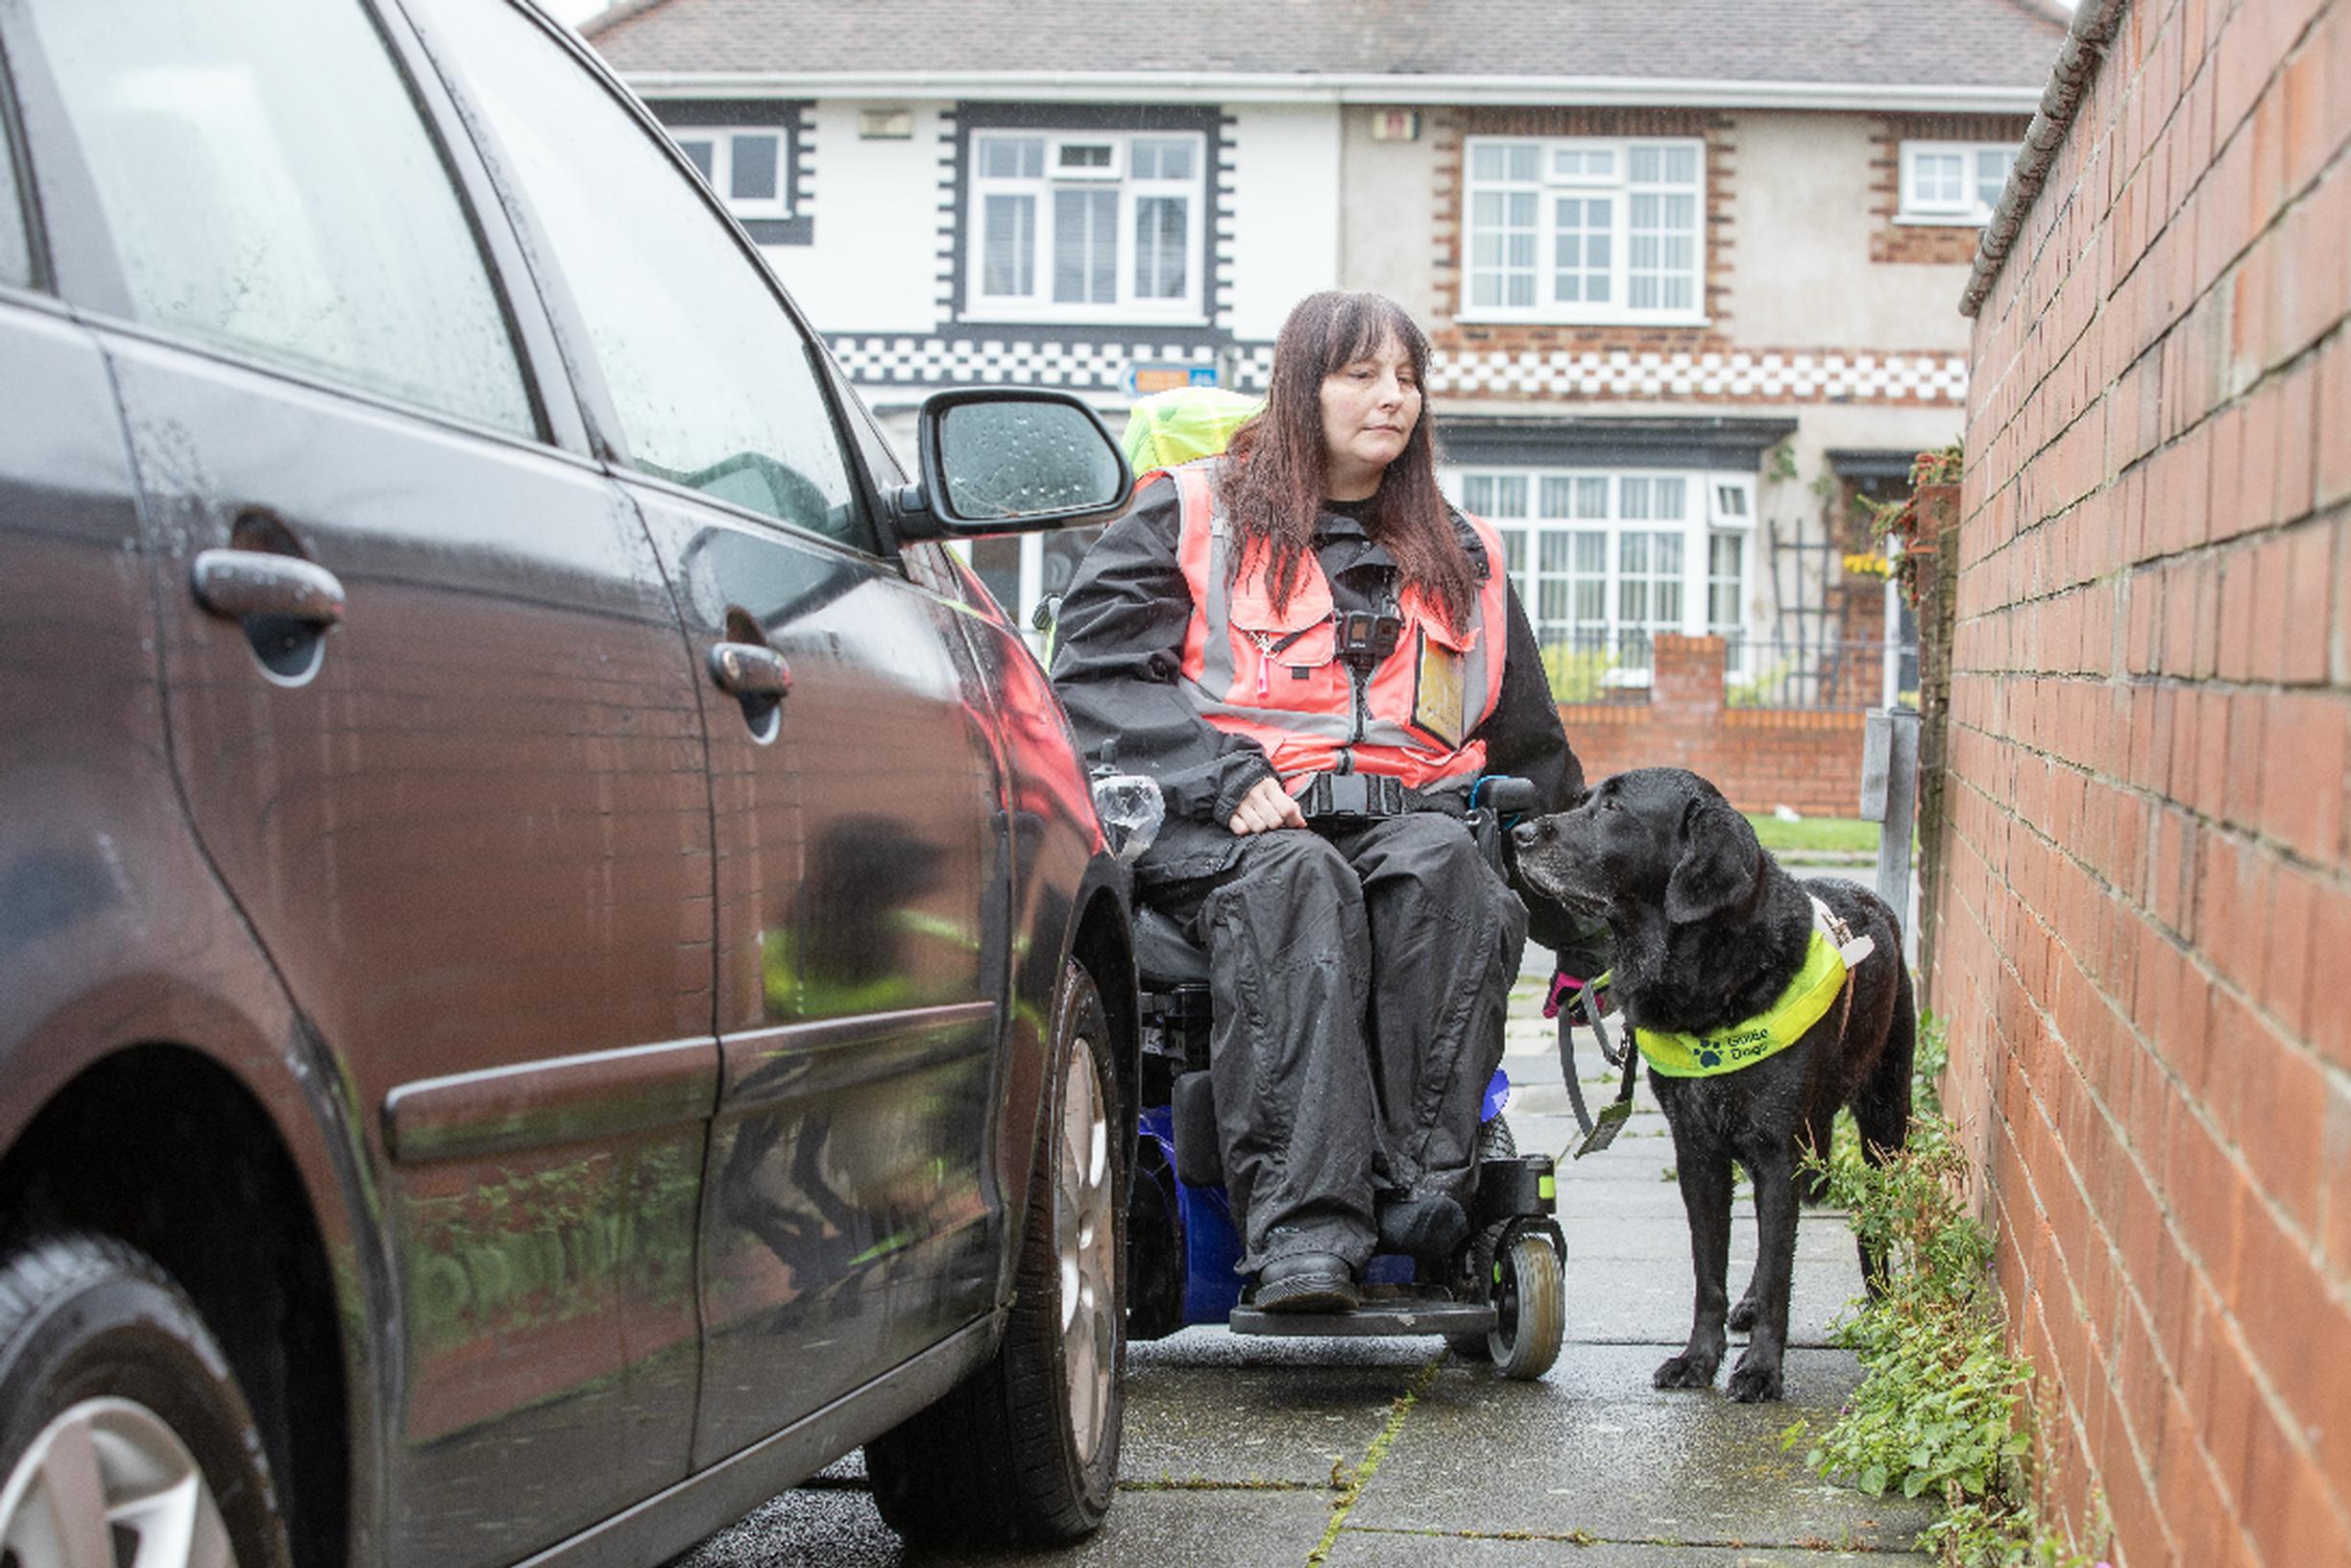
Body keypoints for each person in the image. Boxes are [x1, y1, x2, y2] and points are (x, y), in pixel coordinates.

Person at [1050, 290, 1587, 1313]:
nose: (1395, 398)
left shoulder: (1465, 556)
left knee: (1448, 871)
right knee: (1302, 880)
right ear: (1303, 387)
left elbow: (1535, 753)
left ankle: (1419, 1197)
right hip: (1232, 833)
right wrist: (1222, 772)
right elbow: (1092, 680)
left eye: (1409, 376)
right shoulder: (1192, 514)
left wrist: (1596, 951)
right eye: (1363, 374)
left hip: (1406, 821)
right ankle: (1302, 1234)